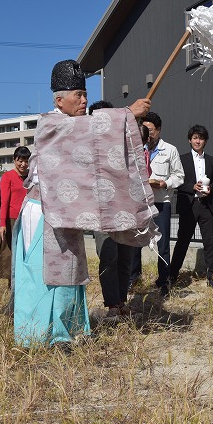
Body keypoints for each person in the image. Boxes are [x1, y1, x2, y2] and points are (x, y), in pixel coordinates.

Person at [12, 60, 151, 347]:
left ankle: (67, 331)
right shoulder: (51, 124)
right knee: (45, 276)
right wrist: (126, 114)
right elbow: (86, 130)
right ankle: (41, 336)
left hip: (63, 212)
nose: (85, 100)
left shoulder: (74, 125)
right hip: (43, 214)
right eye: (78, 95)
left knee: (70, 270)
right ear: (59, 99)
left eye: (85, 94)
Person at [129, 112, 184, 296]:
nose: (146, 133)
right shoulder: (135, 150)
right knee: (135, 242)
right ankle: (133, 278)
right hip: (139, 204)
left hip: (161, 202)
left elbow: (179, 175)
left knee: (163, 244)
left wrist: (165, 183)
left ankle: (164, 282)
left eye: (150, 130)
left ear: (158, 130)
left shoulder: (170, 150)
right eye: (143, 129)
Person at [88, 100, 135, 318]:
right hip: (100, 213)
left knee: (126, 257)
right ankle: (112, 304)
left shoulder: (123, 144)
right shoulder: (87, 147)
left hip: (124, 209)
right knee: (108, 256)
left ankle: (122, 300)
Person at [169, 124, 213, 287]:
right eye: (194, 138)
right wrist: (191, 187)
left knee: (209, 242)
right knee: (182, 241)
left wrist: (211, 189)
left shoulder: (212, 161)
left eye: (200, 138)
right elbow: (176, 181)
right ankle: (172, 276)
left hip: (206, 205)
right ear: (189, 140)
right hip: (188, 205)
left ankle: (212, 278)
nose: (197, 141)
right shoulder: (181, 159)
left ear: (205, 141)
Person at [0, 146, 30, 283]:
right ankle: (12, 283)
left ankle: (26, 282)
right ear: (14, 160)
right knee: (11, 253)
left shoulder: (31, 177)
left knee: (27, 252)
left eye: (26, 161)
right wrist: (2, 224)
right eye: (20, 161)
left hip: (29, 219)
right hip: (13, 220)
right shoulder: (8, 176)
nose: (23, 164)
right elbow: (4, 201)